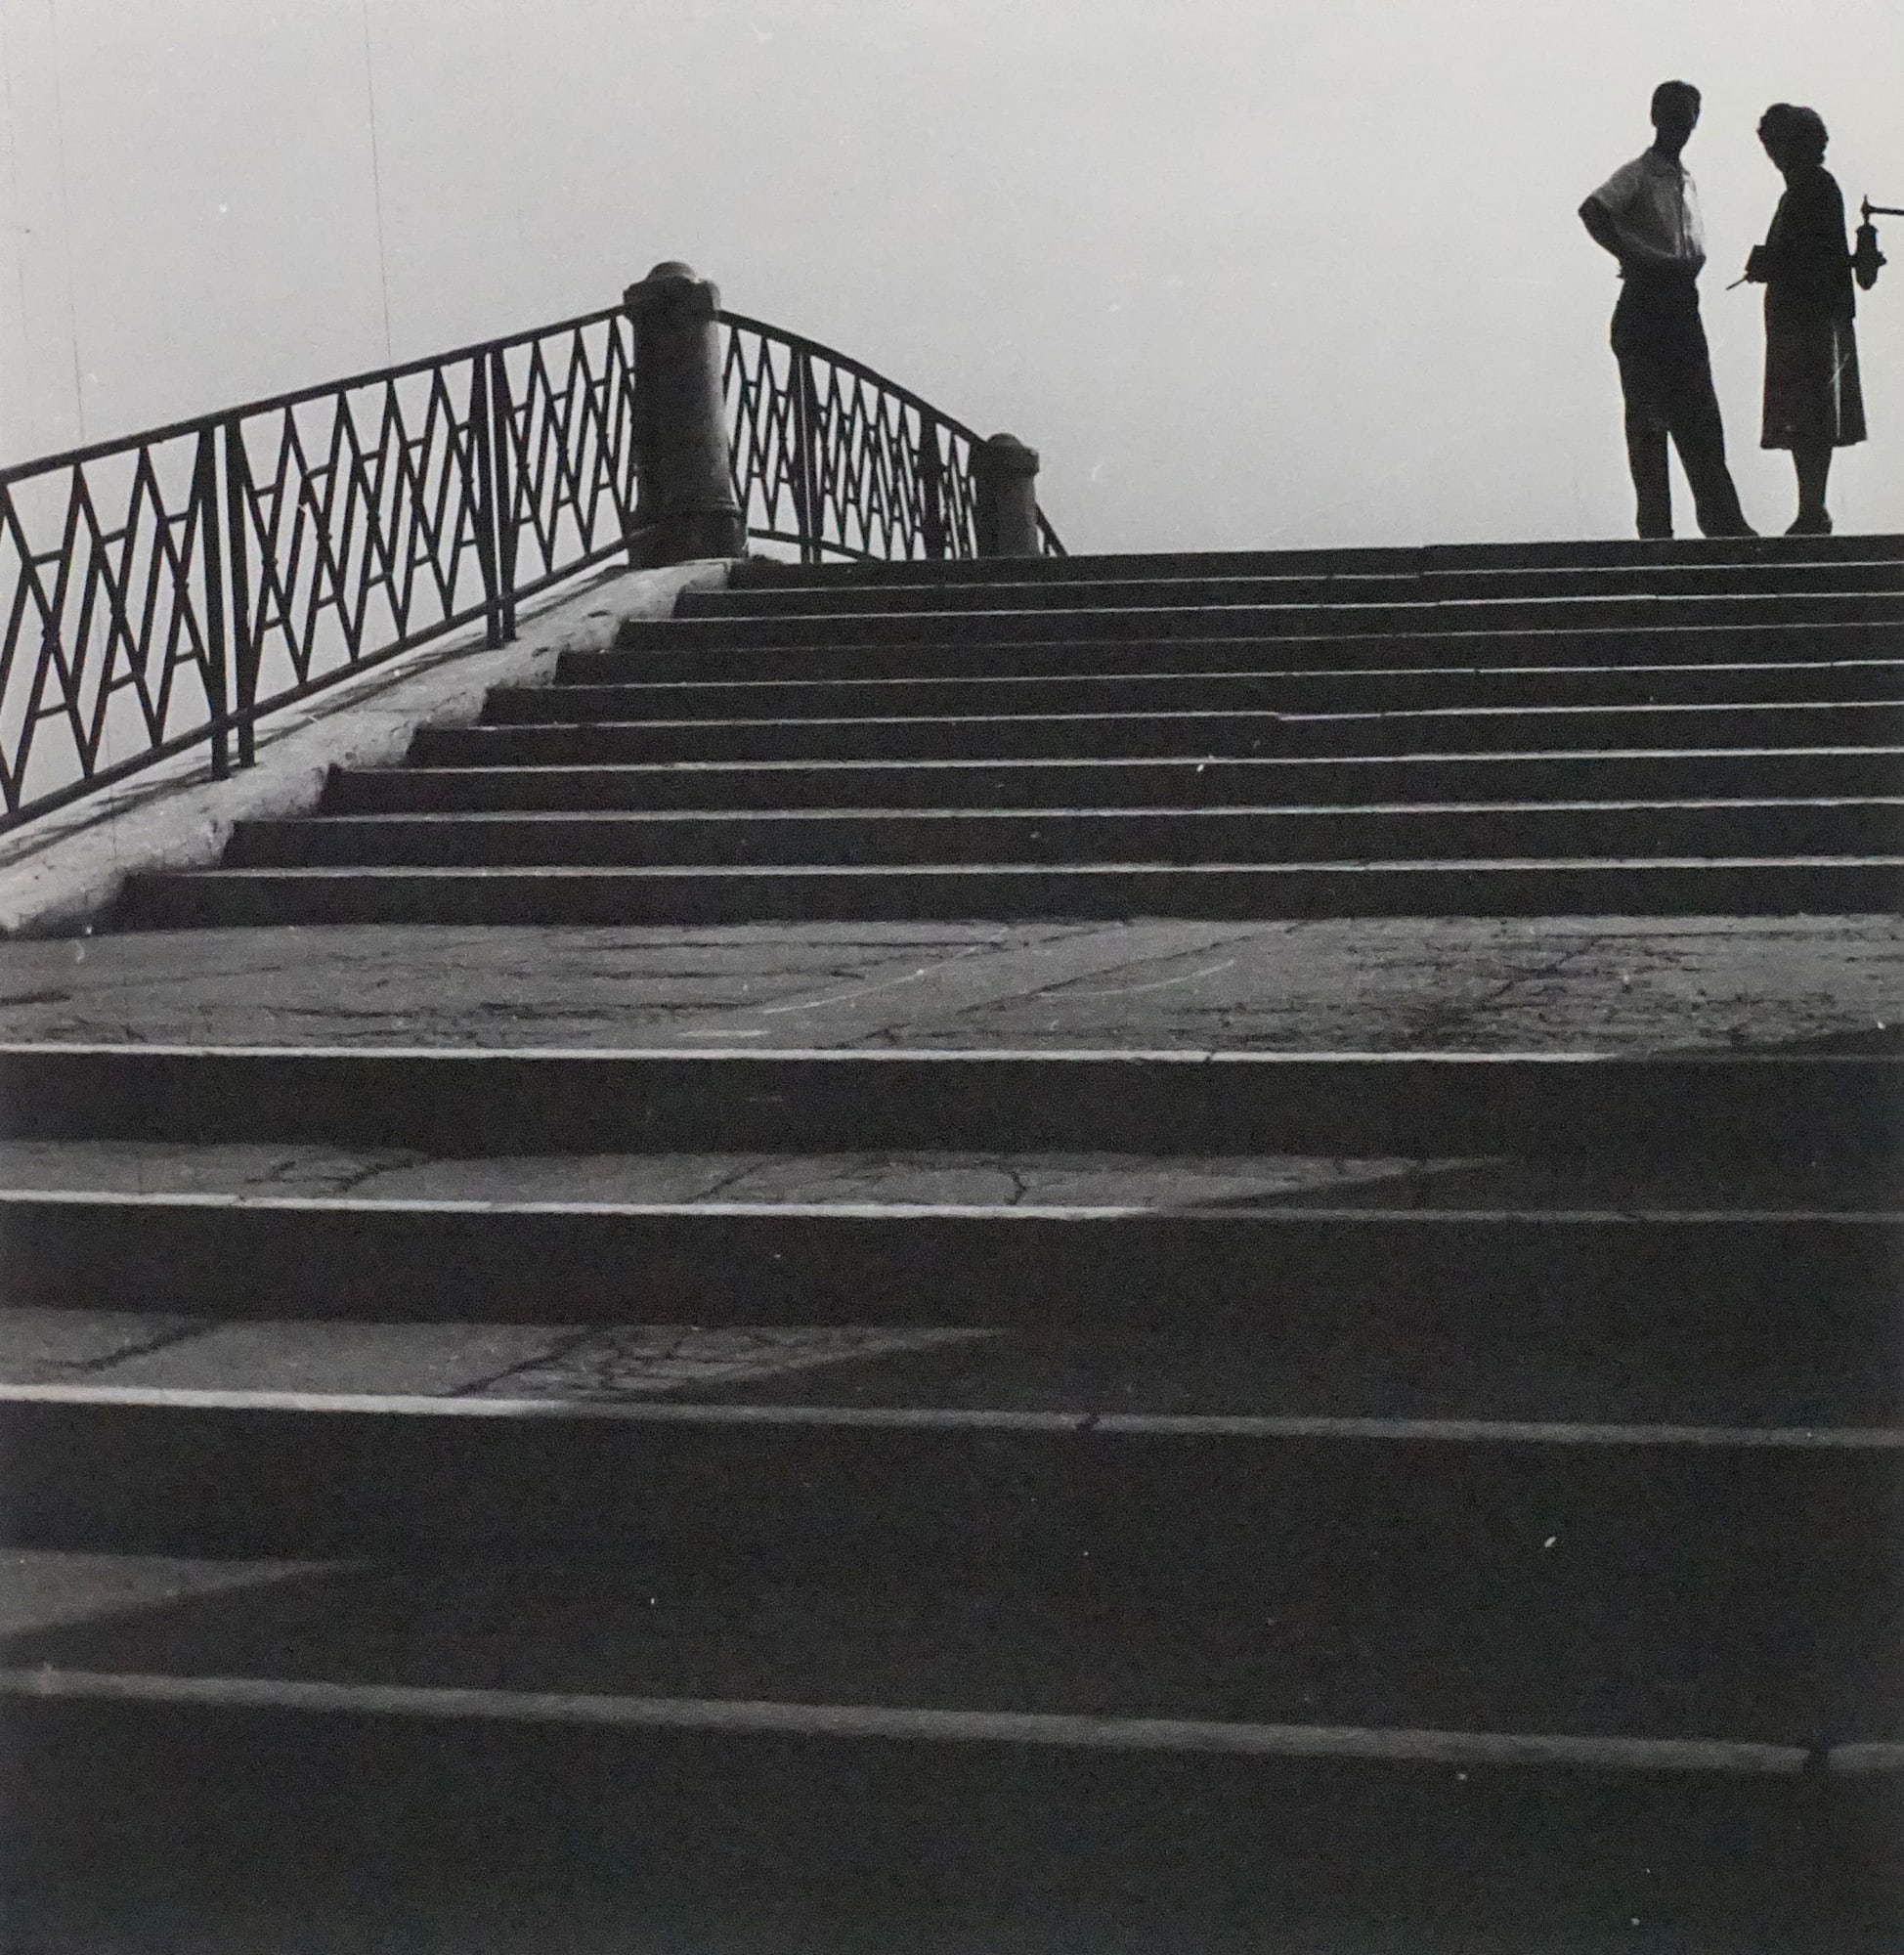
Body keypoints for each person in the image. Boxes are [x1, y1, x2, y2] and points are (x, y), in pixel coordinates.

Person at [1579, 80, 1755, 540]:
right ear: (1656, 116)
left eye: (1691, 116)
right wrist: (1629, 253)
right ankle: (1657, 528)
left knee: (1700, 415)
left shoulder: (1684, 178)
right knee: (1649, 420)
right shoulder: (1637, 174)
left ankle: (1722, 521)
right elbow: (1593, 210)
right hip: (1646, 300)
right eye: (1676, 115)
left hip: (1681, 300)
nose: (1684, 126)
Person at [1743, 103, 1866, 536]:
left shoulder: (1812, 189)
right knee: (1808, 418)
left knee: (1810, 416)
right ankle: (1811, 506)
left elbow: (1814, 258)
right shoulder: (1806, 189)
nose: (1774, 156)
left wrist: (1769, 263)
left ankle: (1813, 508)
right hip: (1804, 319)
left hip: (1808, 321)